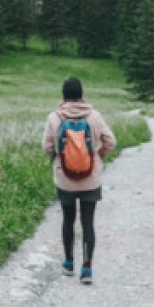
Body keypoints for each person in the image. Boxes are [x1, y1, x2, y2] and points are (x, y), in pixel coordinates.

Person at [42, 76, 116, 285]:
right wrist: (98, 156)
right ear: (81, 95)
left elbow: (46, 147)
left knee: (68, 219)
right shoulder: (94, 116)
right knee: (88, 222)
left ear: (63, 95)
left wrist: (57, 157)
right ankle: (87, 268)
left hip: (64, 178)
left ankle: (68, 263)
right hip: (90, 178)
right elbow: (111, 141)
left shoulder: (54, 118)